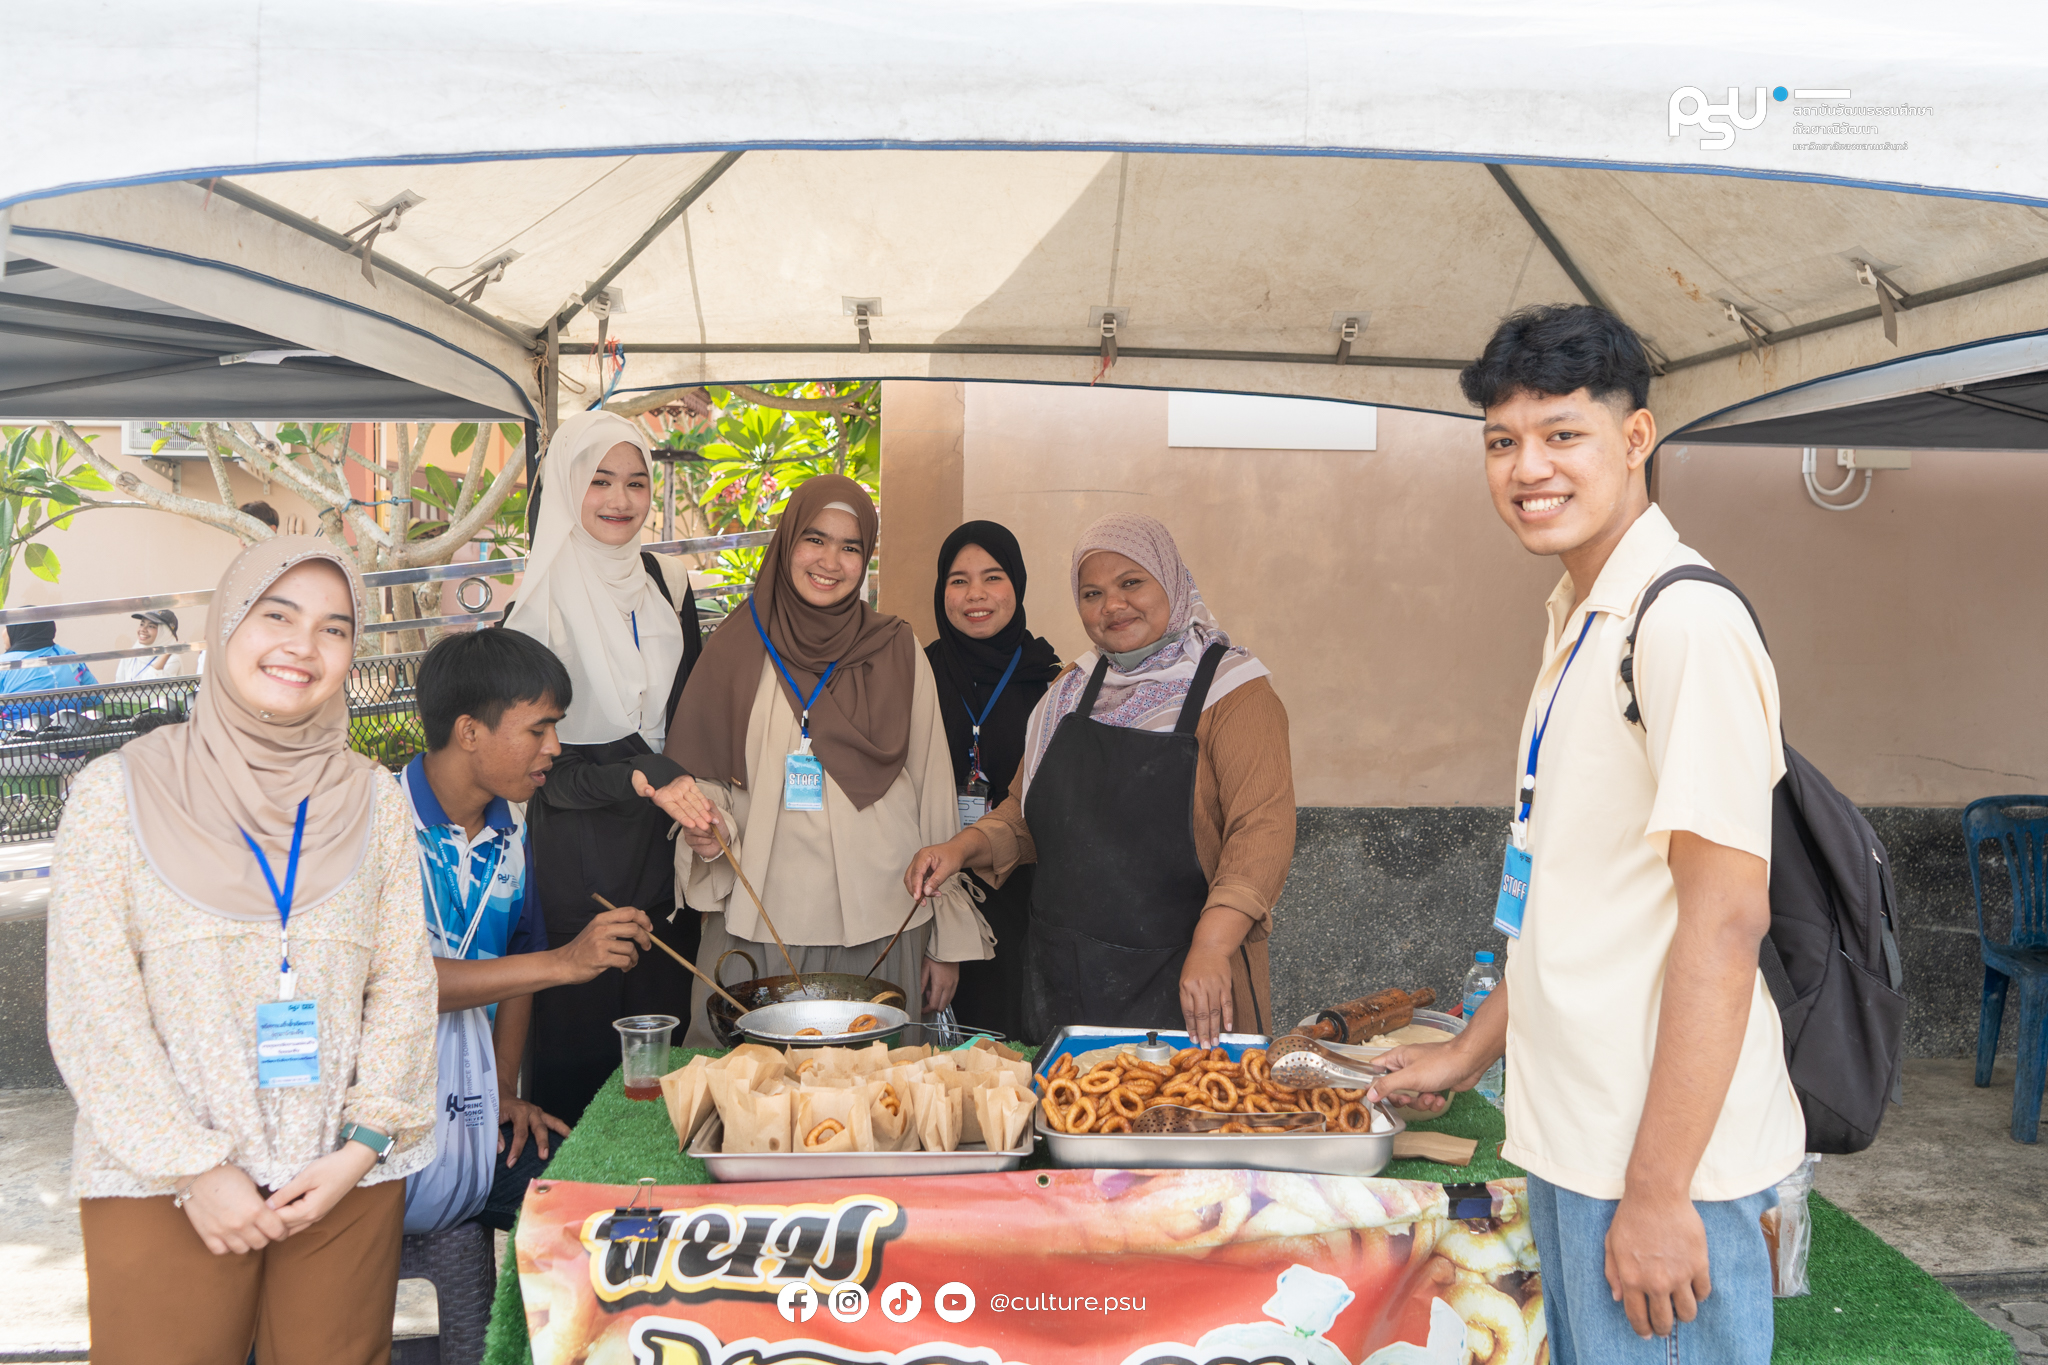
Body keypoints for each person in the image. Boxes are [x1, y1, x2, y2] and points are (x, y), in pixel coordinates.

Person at [1368, 304, 1803, 1363]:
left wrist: (1657, 1192)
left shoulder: (1681, 622)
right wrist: (1468, 1048)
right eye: (1501, 441)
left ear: (1636, 436)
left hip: (1658, 1164)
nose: (1528, 469)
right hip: (1578, 1139)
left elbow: (1724, 923)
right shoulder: (1579, 616)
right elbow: (1575, 899)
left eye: (1562, 434)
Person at [44, 537, 437, 1365]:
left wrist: (363, 1145)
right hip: (161, 1180)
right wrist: (193, 1167)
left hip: (342, 1174)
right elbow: (92, 1006)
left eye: (334, 629)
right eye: (277, 615)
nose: (304, 646)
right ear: (225, 624)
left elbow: (404, 980)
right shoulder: (116, 793)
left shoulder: (374, 799)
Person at [904, 513, 1295, 1048]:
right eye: (1092, 593)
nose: (1112, 605)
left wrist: (1213, 946)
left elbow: (1262, 833)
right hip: (1068, 978)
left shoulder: (1234, 692)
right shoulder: (1072, 688)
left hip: (1188, 976)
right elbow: (1023, 815)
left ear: (1170, 579)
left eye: (1131, 583)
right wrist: (958, 850)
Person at [650, 475, 992, 1048]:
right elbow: (711, 784)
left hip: (886, 919)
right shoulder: (736, 645)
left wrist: (946, 941)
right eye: (815, 539)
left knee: (879, 1092)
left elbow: (933, 794)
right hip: (763, 918)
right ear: (787, 542)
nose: (831, 562)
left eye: (850, 546)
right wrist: (712, 831)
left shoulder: (897, 647)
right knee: (747, 1089)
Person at [401, 628, 659, 1234]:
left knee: (632, 1208)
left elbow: (519, 961)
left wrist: (501, 1094)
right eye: (538, 729)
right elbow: (392, 985)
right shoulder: (378, 825)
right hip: (385, 1134)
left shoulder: (511, 834)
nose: (555, 748)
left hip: (474, 1123)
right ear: (469, 732)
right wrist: (565, 962)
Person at [503, 410, 704, 1123]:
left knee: (664, 1068)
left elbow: (688, 718)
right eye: (600, 481)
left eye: (636, 482)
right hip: (576, 865)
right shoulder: (539, 602)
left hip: (664, 859)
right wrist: (633, 778)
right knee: (581, 1067)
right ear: (568, 487)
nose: (621, 500)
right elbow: (534, 771)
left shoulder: (667, 584)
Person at [924, 521, 1060, 1042]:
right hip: (930, 894)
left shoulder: (1052, 684)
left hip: (1025, 906)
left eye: (993, 577)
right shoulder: (915, 677)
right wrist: (942, 935)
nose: (975, 594)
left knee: (1016, 1053)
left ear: (1017, 585)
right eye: (958, 580)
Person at [1, 619, 100, 728]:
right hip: (71, 732)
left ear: (17, 630)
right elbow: (96, 698)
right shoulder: (68, 655)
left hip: (16, 734)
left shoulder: (4, 663)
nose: (3, 633)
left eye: (7, 627)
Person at [115, 609, 191, 682]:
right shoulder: (131, 655)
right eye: (142, 624)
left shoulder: (172, 659)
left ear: (164, 633)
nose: (143, 629)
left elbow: (153, 687)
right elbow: (118, 684)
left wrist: (167, 652)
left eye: (151, 626)